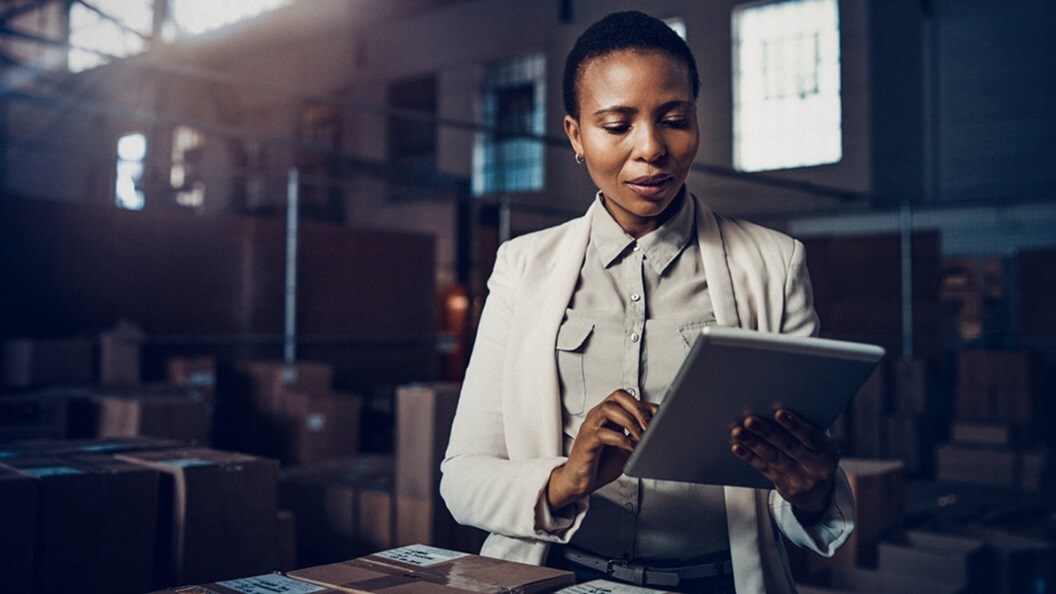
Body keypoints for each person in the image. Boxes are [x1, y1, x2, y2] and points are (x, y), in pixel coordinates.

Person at [440, 10, 853, 594]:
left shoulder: (773, 264)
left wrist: (810, 492)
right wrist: (564, 480)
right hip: (558, 577)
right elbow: (462, 479)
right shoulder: (523, 267)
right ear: (576, 135)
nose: (652, 148)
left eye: (674, 119)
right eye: (616, 125)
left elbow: (791, 489)